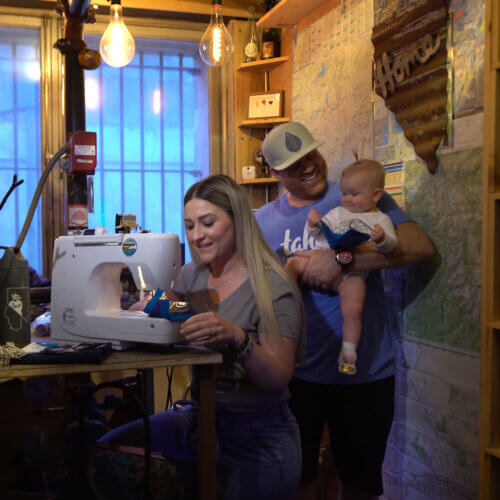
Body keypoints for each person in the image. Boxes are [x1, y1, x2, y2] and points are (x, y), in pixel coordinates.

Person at [94, 175, 305, 500]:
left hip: (256, 433)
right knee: (108, 453)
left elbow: (278, 378)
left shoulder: (272, 285)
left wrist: (239, 339)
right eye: (190, 225)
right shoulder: (195, 274)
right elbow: (176, 304)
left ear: (237, 221)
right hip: (200, 416)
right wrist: (151, 302)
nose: (196, 235)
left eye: (207, 223)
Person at [254, 122, 434, 500]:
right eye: (293, 164)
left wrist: (344, 262)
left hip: (365, 374)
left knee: (359, 483)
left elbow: (419, 246)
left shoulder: (356, 195)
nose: (308, 167)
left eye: (311, 155)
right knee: (298, 480)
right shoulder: (260, 222)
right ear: (274, 173)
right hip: (295, 376)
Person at [286, 159, 398, 375]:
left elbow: (391, 246)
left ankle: (348, 351)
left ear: (376, 195)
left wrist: (382, 238)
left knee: (353, 309)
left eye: (353, 194)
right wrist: (313, 225)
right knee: (292, 266)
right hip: (316, 260)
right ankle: (287, 310)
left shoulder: (380, 220)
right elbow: (320, 235)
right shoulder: (337, 213)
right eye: (344, 193)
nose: (345, 198)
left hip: (351, 275)